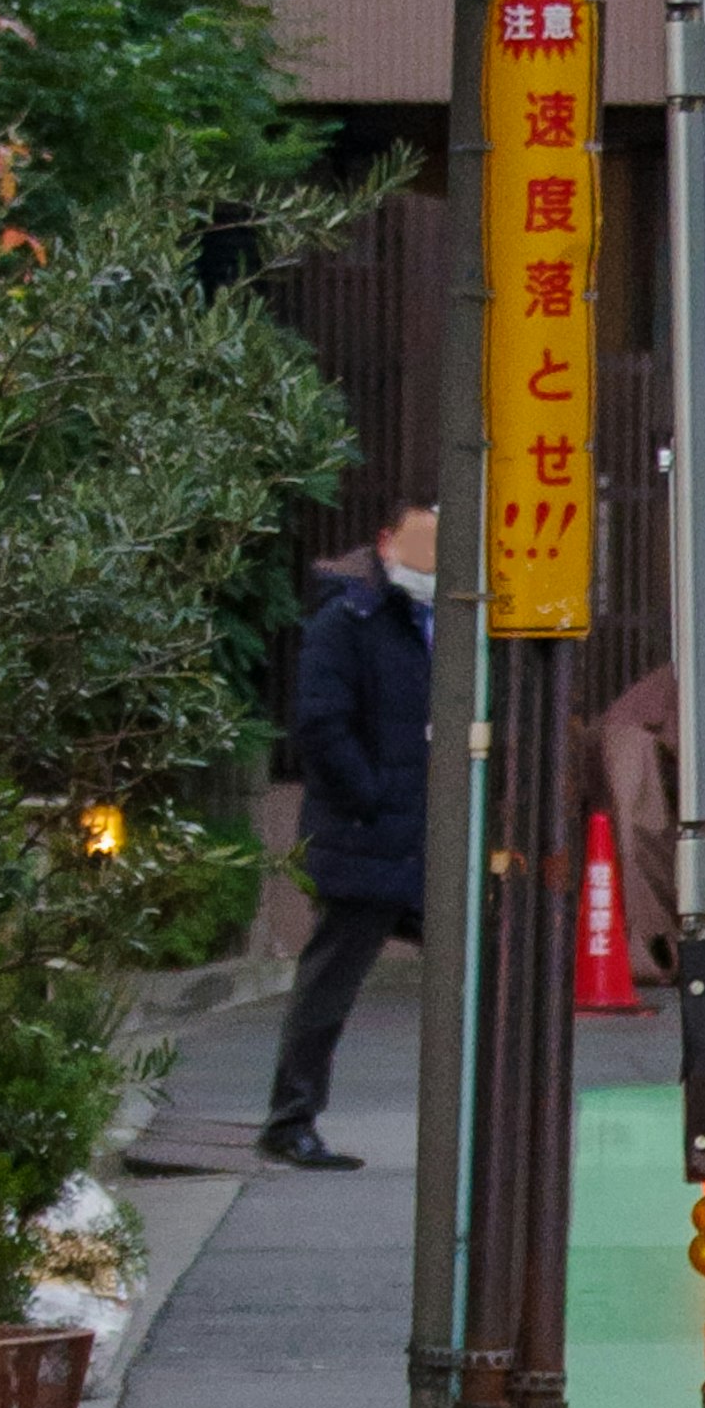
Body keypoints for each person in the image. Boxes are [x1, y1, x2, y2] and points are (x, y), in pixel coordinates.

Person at [261, 492, 438, 1165]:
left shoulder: (443, 620)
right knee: (331, 979)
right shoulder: (349, 619)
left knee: (483, 974)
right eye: (419, 543)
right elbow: (322, 723)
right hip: (366, 830)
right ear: (387, 541)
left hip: (426, 832)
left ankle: (483, 1121)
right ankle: (290, 1119)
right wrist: (367, 796)